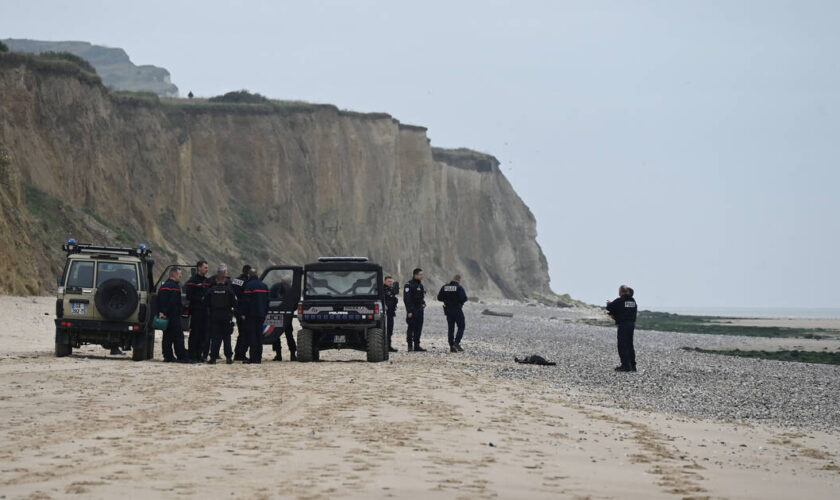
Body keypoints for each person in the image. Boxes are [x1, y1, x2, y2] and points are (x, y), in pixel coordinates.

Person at [205, 271, 238, 364]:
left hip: (214, 315)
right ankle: (228, 358)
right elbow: (235, 303)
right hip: (226, 315)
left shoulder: (211, 290)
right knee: (227, 337)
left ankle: (213, 358)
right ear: (224, 280)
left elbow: (205, 302)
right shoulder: (229, 290)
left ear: (216, 280)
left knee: (215, 338)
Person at [157, 267, 189, 363]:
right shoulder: (175, 287)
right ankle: (181, 356)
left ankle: (168, 356)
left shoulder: (163, 286)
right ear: (174, 274)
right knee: (178, 337)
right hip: (173, 316)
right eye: (179, 274)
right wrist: (167, 312)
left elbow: (159, 301)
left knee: (167, 337)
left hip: (164, 316)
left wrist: (161, 313)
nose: (181, 275)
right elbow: (173, 302)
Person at [240, 269, 270, 363]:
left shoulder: (249, 286)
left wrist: (243, 313)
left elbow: (246, 302)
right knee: (259, 336)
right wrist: (265, 313)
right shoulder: (264, 286)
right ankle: (258, 358)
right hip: (261, 315)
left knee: (252, 336)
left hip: (251, 315)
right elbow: (267, 301)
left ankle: (253, 358)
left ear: (249, 276)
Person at [606, 285, 638, 372]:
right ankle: (633, 366)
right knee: (629, 345)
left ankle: (625, 366)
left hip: (623, 325)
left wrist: (609, 304)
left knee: (622, 345)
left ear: (620, 292)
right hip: (631, 324)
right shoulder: (633, 301)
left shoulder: (620, 300)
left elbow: (609, 307)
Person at [185, 260, 211, 361]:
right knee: (195, 333)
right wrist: (200, 299)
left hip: (205, 311)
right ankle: (192, 355)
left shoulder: (207, 281)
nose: (207, 269)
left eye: (207, 268)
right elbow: (189, 295)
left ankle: (200, 355)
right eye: (205, 268)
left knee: (203, 334)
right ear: (199, 268)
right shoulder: (193, 280)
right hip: (196, 310)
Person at [437, 274, 468, 353]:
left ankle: (451, 346)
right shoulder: (459, 288)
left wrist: (447, 299)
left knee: (451, 328)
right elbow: (464, 298)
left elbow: (439, 298)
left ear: (453, 279)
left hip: (448, 310)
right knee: (461, 326)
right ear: (459, 280)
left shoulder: (445, 287)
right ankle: (456, 342)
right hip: (457, 309)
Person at [270, 278, 297, 361]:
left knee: (278, 335)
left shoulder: (276, 287)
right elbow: (295, 302)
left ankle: (280, 355)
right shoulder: (291, 290)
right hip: (285, 315)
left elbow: (269, 298)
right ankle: (290, 355)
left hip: (278, 314)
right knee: (287, 335)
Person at [403, 268, 427, 352]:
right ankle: (410, 346)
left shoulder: (420, 285)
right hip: (412, 309)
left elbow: (421, 297)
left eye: (422, 275)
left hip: (419, 309)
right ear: (415, 275)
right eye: (420, 275)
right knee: (411, 327)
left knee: (419, 327)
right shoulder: (409, 285)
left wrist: (423, 303)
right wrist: (409, 311)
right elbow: (406, 299)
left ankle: (417, 345)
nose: (421, 276)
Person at [231, 265, 251, 361]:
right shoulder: (247, 282)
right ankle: (240, 354)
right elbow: (247, 298)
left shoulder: (235, 280)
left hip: (236, 309)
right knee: (245, 333)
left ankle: (237, 353)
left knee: (241, 332)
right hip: (243, 310)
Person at [383, 276, 399, 352]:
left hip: (391, 313)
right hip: (385, 313)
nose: (390, 283)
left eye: (391, 282)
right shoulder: (382, 289)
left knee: (390, 330)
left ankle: (388, 346)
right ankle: (384, 346)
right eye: (389, 281)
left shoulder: (391, 290)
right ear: (385, 281)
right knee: (384, 330)